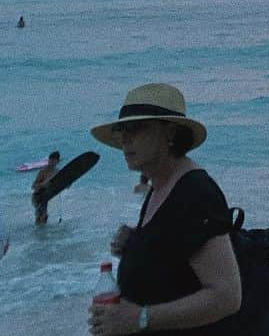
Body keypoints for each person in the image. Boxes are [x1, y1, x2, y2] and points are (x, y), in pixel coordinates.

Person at [86, 82, 241, 336]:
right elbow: (174, 251)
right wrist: (137, 241)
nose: (124, 139)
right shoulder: (160, 186)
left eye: (135, 129)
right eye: (121, 130)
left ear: (169, 133)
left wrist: (140, 318)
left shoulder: (195, 193)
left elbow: (227, 296)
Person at [31, 151, 60, 226]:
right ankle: (39, 232)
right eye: (50, 160)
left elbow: (62, 183)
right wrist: (42, 184)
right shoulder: (43, 171)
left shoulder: (57, 172)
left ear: (57, 161)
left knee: (43, 216)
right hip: (37, 196)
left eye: (54, 161)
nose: (51, 162)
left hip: (46, 196)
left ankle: (41, 233)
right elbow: (33, 186)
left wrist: (68, 184)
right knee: (41, 215)